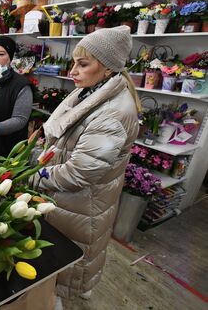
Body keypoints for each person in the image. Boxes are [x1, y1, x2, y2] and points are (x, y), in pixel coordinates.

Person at [34, 26, 141, 306]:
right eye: (74, 63)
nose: (73, 71)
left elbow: (78, 172)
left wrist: (35, 175)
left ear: (107, 68)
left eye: (83, 64)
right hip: (71, 205)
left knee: (68, 271)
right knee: (62, 265)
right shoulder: (92, 94)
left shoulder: (112, 113)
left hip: (82, 206)